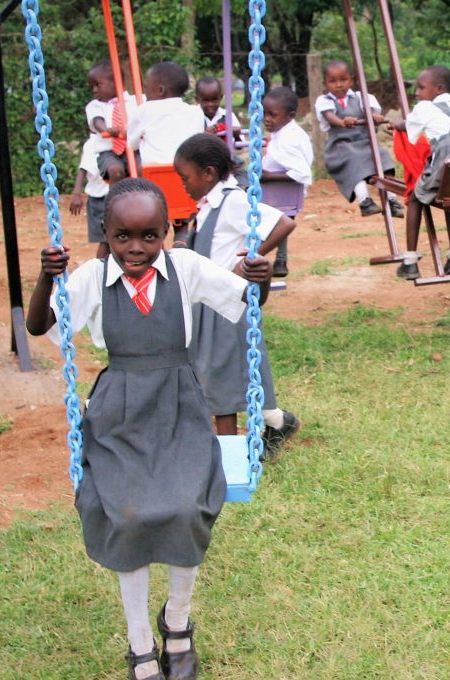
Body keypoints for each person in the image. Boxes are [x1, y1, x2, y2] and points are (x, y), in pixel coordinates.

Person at [25, 178, 275, 680]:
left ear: (168, 232)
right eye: (123, 237)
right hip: (119, 410)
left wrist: (259, 277)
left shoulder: (185, 267)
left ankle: (177, 623)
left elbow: (248, 301)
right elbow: (37, 327)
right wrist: (45, 278)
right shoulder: (93, 276)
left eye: (148, 236)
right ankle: (140, 642)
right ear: (106, 231)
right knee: (129, 516)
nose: (135, 248)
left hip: (179, 402)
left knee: (189, 509)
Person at [174, 133, 302, 456]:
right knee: (213, 377)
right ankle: (271, 423)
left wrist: (249, 260)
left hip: (225, 305)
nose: (182, 185)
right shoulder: (208, 205)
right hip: (208, 303)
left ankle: (229, 456)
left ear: (209, 174)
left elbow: (283, 223)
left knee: (221, 384)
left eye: (185, 177)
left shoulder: (232, 201)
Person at [388, 65, 450, 280]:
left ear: (438, 89)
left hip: (445, 163)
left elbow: (406, 126)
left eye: (421, 88)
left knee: (415, 198)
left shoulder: (424, 109)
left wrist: (393, 124)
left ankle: (410, 261)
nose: (417, 93)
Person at [314, 60, 404, 218]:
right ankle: (365, 201)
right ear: (325, 83)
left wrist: (373, 116)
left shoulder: (361, 97)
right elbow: (329, 116)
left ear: (352, 80)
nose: (339, 85)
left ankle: (392, 199)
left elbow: (368, 110)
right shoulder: (325, 101)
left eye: (343, 79)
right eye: (333, 81)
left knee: (382, 156)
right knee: (353, 160)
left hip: (364, 142)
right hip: (341, 145)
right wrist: (342, 122)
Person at [260, 86, 313, 278]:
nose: (267, 119)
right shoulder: (286, 133)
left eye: (272, 115)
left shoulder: (288, 140)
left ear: (290, 115)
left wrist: (268, 177)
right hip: (283, 196)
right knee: (282, 224)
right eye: (265, 113)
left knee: (275, 224)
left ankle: (259, 256)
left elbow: (302, 173)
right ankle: (281, 260)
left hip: (281, 193)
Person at [126, 61, 205, 167]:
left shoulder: (144, 110)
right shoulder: (196, 112)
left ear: (161, 90)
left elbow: (132, 144)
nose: (145, 92)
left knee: (137, 153)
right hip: (188, 174)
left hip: (154, 175)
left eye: (146, 87)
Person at [85, 61, 136, 183]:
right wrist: (106, 129)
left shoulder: (135, 102)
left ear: (115, 82)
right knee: (115, 170)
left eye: (98, 85)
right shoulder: (95, 105)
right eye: (92, 86)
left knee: (141, 167)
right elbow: (97, 120)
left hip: (133, 150)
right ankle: (114, 200)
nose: (94, 90)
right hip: (109, 153)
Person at [69, 137, 111, 259]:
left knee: (113, 240)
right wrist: (76, 193)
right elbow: (84, 168)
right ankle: (100, 272)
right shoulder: (93, 143)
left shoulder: (119, 141)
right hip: (99, 198)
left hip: (115, 196)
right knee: (106, 240)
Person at [196, 75, 242, 142]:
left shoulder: (228, 116)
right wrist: (205, 135)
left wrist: (236, 136)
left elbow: (240, 146)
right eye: (205, 100)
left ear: (220, 97)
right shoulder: (192, 116)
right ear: (197, 100)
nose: (210, 104)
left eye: (214, 99)